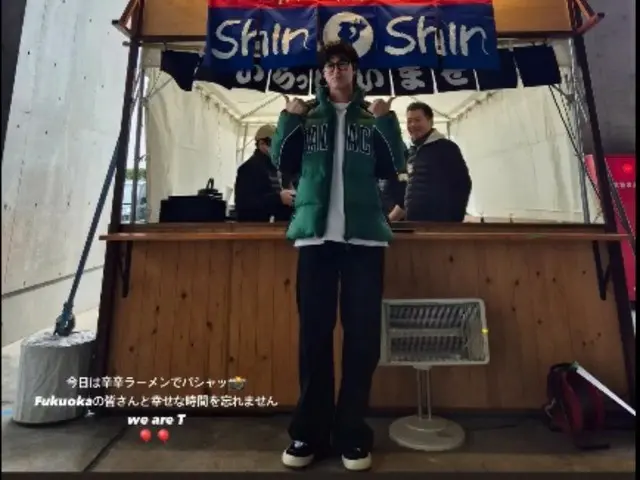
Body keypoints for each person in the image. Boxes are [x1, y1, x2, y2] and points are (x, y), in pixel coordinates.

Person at [271, 41, 405, 472]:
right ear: (322, 74)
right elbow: (281, 160)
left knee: (362, 340)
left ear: (354, 71)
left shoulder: (372, 118)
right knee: (314, 338)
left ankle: (352, 435)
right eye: (330, 65)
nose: (336, 70)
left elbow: (393, 167)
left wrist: (388, 123)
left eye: (343, 64)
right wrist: (288, 116)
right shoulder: (307, 117)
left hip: (365, 240)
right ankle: (308, 433)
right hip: (315, 240)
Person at [396, 102, 472, 222]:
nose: (413, 125)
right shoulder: (412, 152)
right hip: (413, 222)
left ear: (430, 121)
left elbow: (463, 184)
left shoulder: (446, 147)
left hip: (439, 223)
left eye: (417, 120)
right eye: (409, 121)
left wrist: (455, 220)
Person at [233, 124, 295, 222]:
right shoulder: (248, 168)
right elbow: (245, 203)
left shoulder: (276, 167)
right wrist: (279, 198)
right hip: (253, 229)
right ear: (262, 144)